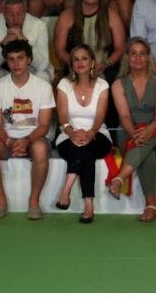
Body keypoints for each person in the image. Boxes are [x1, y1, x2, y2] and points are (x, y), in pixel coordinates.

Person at [0, 39, 56, 220]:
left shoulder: (43, 87)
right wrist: (10, 141)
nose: (16, 64)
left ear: (29, 60)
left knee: (40, 149)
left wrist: (27, 140)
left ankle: (34, 202)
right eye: (11, 59)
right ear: (6, 61)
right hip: (6, 138)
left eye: (20, 58)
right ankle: (1, 201)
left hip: (33, 137)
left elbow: (44, 125)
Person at [108, 37, 156, 222]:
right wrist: (134, 134)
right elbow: (125, 117)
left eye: (142, 54)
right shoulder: (118, 84)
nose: (138, 58)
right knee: (147, 153)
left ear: (148, 57)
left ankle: (119, 178)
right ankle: (150, 205)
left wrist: (149, 129)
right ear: (127, 57)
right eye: (133, 54)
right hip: (129, 132)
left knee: (149, 143)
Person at [55, 44, 113, 224]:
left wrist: (90, 133)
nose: (80, 63)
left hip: (98, 134)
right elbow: (63, 116)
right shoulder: (64, 84)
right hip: (67, 134)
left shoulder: (102, 85)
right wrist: (72, 133)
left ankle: (66, 189)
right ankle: (89, 205)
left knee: (85, 147)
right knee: (83, 151)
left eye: (84, 58)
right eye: (76, 59)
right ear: (71, 64)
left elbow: (100, 117)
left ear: (93, 62)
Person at [53, 0, 126, 83]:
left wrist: (105, 64)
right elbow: (60, 50)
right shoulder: (66, 16)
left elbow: (120, 49)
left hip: (105, 69)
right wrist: (77, 65)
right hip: (75, 69)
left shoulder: (111, 15)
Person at [0, 0, 53, 85]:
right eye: (10, 15)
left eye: (20, 14)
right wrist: (3, 44)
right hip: (2, 71)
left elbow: (42, 64)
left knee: (43, 76)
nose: (16, 19)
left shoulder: (39, 26)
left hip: (30, 70)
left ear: (26, 10)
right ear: (3, 13)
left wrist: (25, 41)